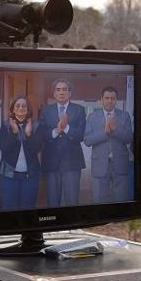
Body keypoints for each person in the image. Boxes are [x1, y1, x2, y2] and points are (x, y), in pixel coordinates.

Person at [38, 78, 86, 206]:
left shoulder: (79, 110)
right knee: (52, 202)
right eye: (58, 90)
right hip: (51, 162)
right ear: (54, 93)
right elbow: (41, 135)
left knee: (72, 201)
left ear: (70, 93)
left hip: (72, 162)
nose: (61, 92)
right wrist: (57, 131)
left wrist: (66, 128)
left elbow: (81, 135)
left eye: (65, 89)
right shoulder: (46, 110)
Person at [84, 87, 133, 202]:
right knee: (99, 200)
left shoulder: (124, 115)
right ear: (101, 99)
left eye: (112, 98)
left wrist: (115, 130)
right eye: (106, 98)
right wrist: (105, 132)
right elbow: (87, 140)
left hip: (120, 164)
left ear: (116, 100)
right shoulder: (92, 117)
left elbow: (129, 138)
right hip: (100, 164)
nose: (110, 101)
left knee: (121, 200)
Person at [0, 96, 42, 210]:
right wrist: (14, 133)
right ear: (13, 109)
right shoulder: (6, 125)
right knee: (9, 208)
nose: (21, 108)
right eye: (17, 106)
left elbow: (36, 148)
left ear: (28, 109)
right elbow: (4, 148)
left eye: (24, 106)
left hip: (30, 175)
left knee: (28, 207)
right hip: (8, 175)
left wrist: (28, 134)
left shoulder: (36, 125)